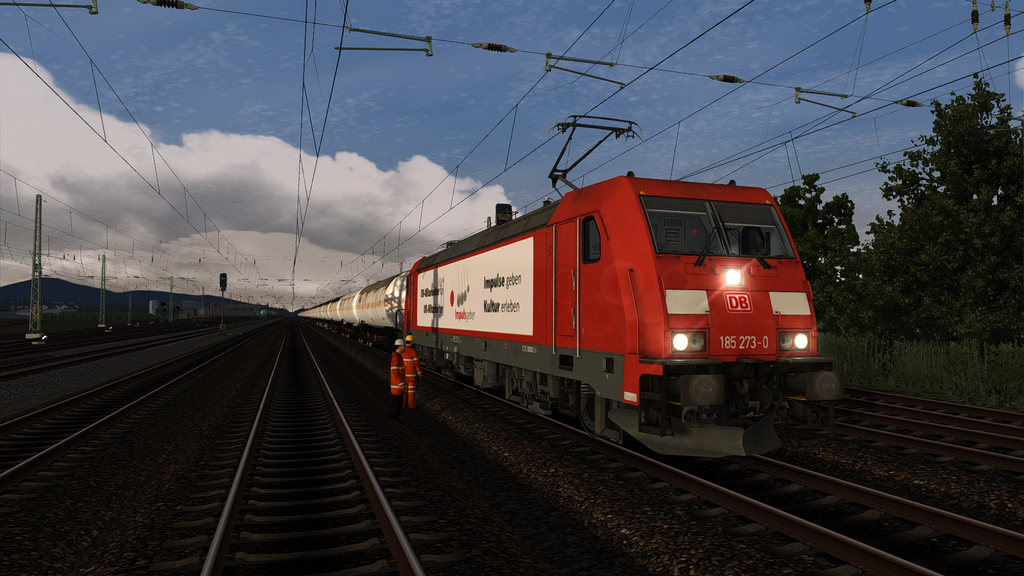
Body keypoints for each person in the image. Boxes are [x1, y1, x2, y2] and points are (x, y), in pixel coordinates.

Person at [401, 334, 422, 409]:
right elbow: (416, 364)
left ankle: (402, 405)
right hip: (411, 376)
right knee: (411, 391)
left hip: (403, 375)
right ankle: (411, 405)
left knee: (403, 391)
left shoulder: (401, 351)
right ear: (411, 342)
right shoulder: (413, 351)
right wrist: (419, 373)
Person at [389, 339, 407, 421]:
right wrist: (401, 384)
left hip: (397, 386)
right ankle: (393, 420)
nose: (404, 348)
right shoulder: (396, 357)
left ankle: (393, 419)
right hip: (397, 386)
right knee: (397, 404)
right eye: (403, 346)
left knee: (396, 403)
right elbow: (395, 371)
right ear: (399, 347)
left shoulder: (398, 356)